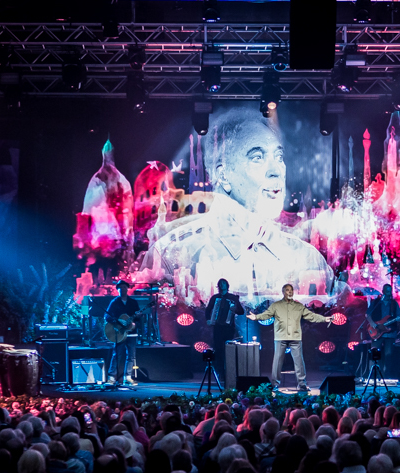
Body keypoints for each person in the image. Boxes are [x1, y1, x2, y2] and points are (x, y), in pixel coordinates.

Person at [141, 110, 335, 307]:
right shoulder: (170, 254)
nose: (276, 171)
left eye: (278, 156)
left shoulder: (307, 259)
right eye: (257, 158)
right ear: (223, 176)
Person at [248, 283, 331, 394]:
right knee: (277, 361)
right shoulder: (276, 305)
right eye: (287, 290)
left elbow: (312, 316)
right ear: (283, 292)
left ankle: (302, 384)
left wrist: (325, 319)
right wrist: (256, 317)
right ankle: (275, 384)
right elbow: (267, 314)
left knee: (299, 362)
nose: (290, 292)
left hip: (295, 337)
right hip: (280, 337)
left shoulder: (298, 306)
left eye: (291, 290)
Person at [205, 277, 246, 378]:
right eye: (220, 283)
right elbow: (208, 310)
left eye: (224, 283)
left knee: (229, 349)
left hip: (228, 327)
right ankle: (220, 372)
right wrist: (208, 320)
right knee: (218, 349)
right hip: (218, 327)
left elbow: (241, 311)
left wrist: (234, 309)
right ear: (218, 286)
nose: (222, 285)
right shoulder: (214, 298)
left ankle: (230, 371)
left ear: (227, 286)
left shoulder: (233, 298)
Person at [104, 280, 141, 386]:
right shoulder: (114, 302)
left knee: (131, 356)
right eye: (120, 288)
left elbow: (137, 317)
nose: (122, 289)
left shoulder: (133, 302)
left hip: (131, 332)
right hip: (119, 333)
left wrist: (137, 317)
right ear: (118, 290)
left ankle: (128, 377)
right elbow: (107, 316)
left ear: (127, 289)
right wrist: (117, 321)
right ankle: (112, 377)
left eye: (124, 287)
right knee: (117, 355)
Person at [366, 283, 400, 377]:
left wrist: (399, 319)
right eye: (386, 291)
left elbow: (399, 316)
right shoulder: (376, 302)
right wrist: (372, 323)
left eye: (389, 291)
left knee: (388, 355)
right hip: (376, 331)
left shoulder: (394, 304)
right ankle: (373, 375)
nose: (388, 293)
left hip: (390, 333)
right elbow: (367, 314)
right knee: (374, 353)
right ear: (383, 291)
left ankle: (386, 375)